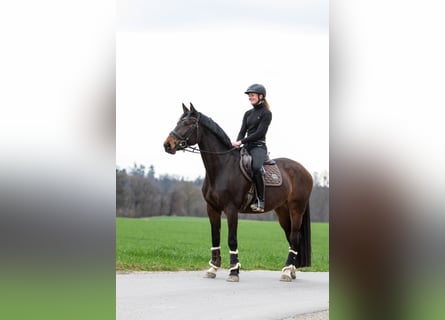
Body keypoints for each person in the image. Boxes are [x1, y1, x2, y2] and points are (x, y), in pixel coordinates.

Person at [232, 83, 272, 212]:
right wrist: (238, 142)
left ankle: (261, 200)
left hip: (258, 146)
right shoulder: (247, 113)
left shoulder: (266, 113)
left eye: (252, 95)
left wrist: (242, 141)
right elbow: (242, 130)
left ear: (261, 96)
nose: (250, 97)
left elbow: (259, 133)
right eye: (249, 95)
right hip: (246, 146)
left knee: (255, 168)